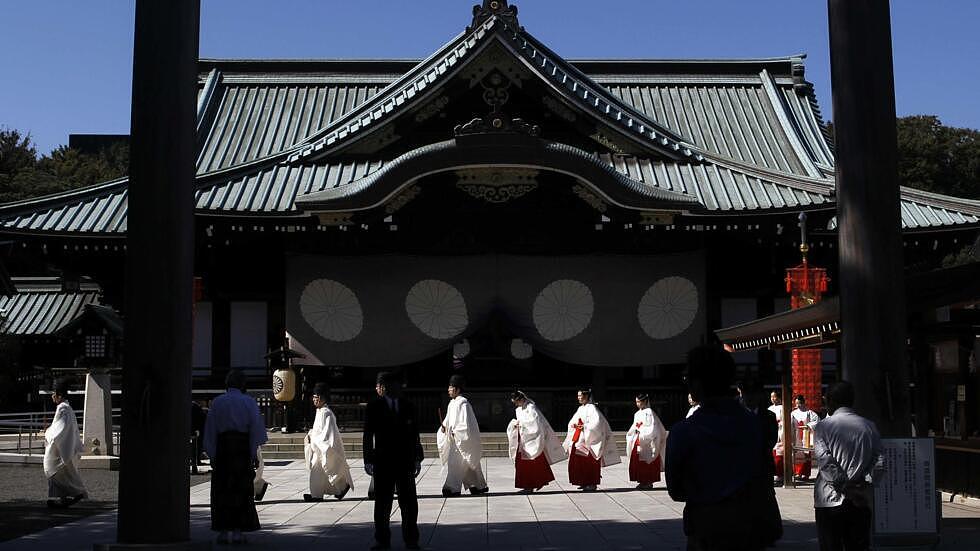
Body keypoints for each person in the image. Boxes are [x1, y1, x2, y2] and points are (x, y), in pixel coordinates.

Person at [665, 345, 772, 551]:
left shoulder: (684, 432)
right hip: (749, 527)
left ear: (697, 384)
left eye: (688, 379)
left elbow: (676, 490)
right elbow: (764, 474)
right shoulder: (757, 425)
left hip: (706, 528)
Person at [812, 381, 884, 551]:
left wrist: (844, 486)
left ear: (832, 401)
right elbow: (879, 460)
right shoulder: (869, 426)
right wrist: (866, 482)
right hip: (860, 498)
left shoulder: (823, 427)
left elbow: (825, 462)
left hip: (830, 499)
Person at [203, 369, 268, 546]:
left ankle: (224, 531)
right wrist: (254, 452)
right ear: (242, 385)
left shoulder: (217, 402)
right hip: (241, 448)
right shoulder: (248, 402)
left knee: (222, 490)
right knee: (241, 490)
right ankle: (238, 531)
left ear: (227, 384)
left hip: (223, 448)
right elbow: (255, 429)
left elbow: (210, 430)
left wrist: (212, 453)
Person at [363, 372, 424, 550]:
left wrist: (418, 458)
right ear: (385, 387)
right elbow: (368, 434)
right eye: (393, 385)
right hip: (383, 460)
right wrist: (368, 459)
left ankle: (411, 539)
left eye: (399, 385)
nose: (397, 389)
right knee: (382, 503)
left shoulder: (408, 405)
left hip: (405, 460)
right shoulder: (374, 406)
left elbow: (415, 433)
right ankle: (382, 539)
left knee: (409, 503)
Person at [738, 380, 784, 547]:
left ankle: (767, 533)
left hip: (762, 464)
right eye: (746, 394)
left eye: (753, 394)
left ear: (759, 396)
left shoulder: (768, 416)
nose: (749, 398)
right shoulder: (736, 415)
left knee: (764, 499)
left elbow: (771, 439)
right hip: (741, 466)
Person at [437, 375, 488, 497]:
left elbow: (467, 424)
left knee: (457, 463)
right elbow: (448, 420)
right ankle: (478, 486)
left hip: (461, 438)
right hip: (455, 439)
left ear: (457, 389)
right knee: (466, 464)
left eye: (451, 387)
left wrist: (457, 432)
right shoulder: (452, 403)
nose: (448, 390)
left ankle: (452, 488)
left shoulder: (463, 404)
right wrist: (444, 428)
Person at [505, 390, 566, 493]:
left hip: (531, 438)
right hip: (523, 437)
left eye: (516, 401)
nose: (515, 404)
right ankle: (532, 483)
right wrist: (516, 424)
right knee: (525, 462)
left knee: (531, 461)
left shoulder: (531, 407)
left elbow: (535, 422)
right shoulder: (520, 409)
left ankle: (530, 485)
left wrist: (521, 424)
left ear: (521, 399)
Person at [303, 382, 353, 502]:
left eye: (315, 397)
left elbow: (328, 434)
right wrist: (311, 435)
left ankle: (318, 495)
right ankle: (340, 488)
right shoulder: (320, 411)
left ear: (320, 398)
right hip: (318, 448)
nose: (313, 400)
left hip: (322, 448)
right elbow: (317, 430)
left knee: (318, 472)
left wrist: (314, 440)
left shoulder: (327, 413)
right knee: (321, 474)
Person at [562, 388, 619, 491]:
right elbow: (572, 422)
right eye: (578, 396)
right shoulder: (580, 409)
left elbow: (597, 424)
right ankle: (583, 481)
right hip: (580, 437)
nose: (579, 398)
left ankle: (592, 483)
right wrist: (575, 426)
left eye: (581, 396)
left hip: (589, 439)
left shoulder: (592, 408)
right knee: (578, 460)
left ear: (587, 396)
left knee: (589, 462)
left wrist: (584, 427)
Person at [43, 378, 87, 509]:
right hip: (62, 446)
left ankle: (76, 492)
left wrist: (48, 433)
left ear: (59, 395)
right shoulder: (65, 408)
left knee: (53, 468)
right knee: (62, 473)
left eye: (53, 394)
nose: (52, 396)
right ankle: (63, 499)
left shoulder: (63, 409)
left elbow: (60, 428)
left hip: (60, 448)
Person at [626, 393, 666, 490]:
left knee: (646, 460)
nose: (637, 404)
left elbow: (652, 427)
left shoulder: (649, 412)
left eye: (639, 402)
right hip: (638, 438)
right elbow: (635, 426)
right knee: (638, 460)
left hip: (647, 441)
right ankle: (642, 480)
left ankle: (648, 481)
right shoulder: (637, 413)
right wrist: (631, 433)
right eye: (636, 402)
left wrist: (642, 432)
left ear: (645, 401)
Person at [792, 395, 820, 480]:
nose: (798, 405)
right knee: (797, 453)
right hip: (797, 434)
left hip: (806, 434)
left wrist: (808, 425)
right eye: (796, 403)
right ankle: (797, 472)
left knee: (806, 454)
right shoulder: (793, 413)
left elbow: (817, 420)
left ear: (803, 403)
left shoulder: (809, 412)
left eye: (799, 403)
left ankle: (806, 473)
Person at [768, 391, 785, 486]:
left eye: (774, 396)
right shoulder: (769, 408)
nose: (773, 398)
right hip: (772, 431)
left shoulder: (782, 408)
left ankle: (780, 474)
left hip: (779, 430)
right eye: (771, 397)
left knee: (779, 455)